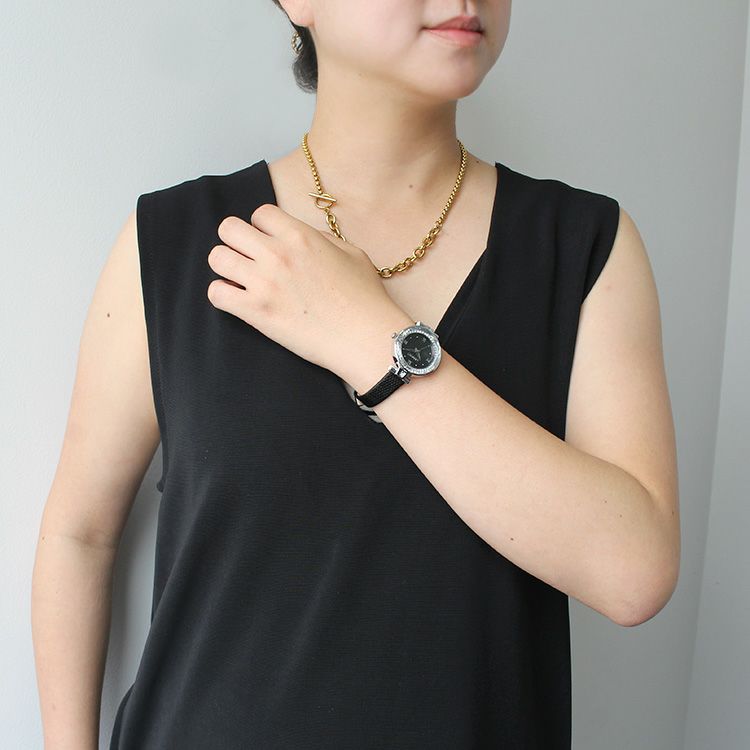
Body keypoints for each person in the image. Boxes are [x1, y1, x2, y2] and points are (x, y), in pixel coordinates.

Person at [31, 1, 681, 748]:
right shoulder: (179, 241)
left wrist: (369, 337)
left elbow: (634, 573)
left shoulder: (584, 247)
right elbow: (79, 534)